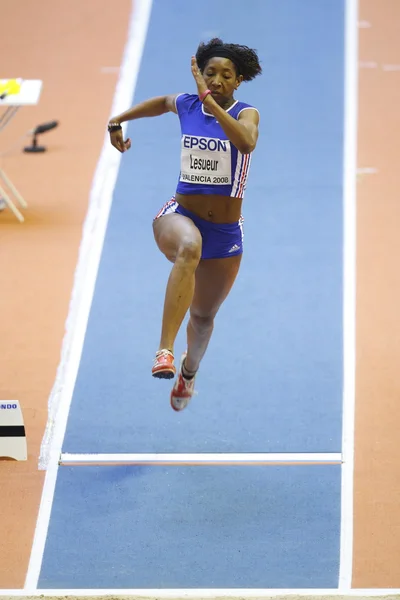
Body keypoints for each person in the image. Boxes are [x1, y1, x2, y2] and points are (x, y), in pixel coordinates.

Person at [108, 38, 262, 412]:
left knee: (204, 317)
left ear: (238, 80)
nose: (218, 80)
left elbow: (246, 144)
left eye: (227, 75)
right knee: (189, 247)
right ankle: (164, 351)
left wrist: (210, 104)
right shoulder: (186, 104)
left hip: (224, 233)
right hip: (179, 215)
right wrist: (118, 120)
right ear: (201, 75)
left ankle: (188, 374)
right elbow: (162, 103)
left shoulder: (247, 114)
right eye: (211, 73)